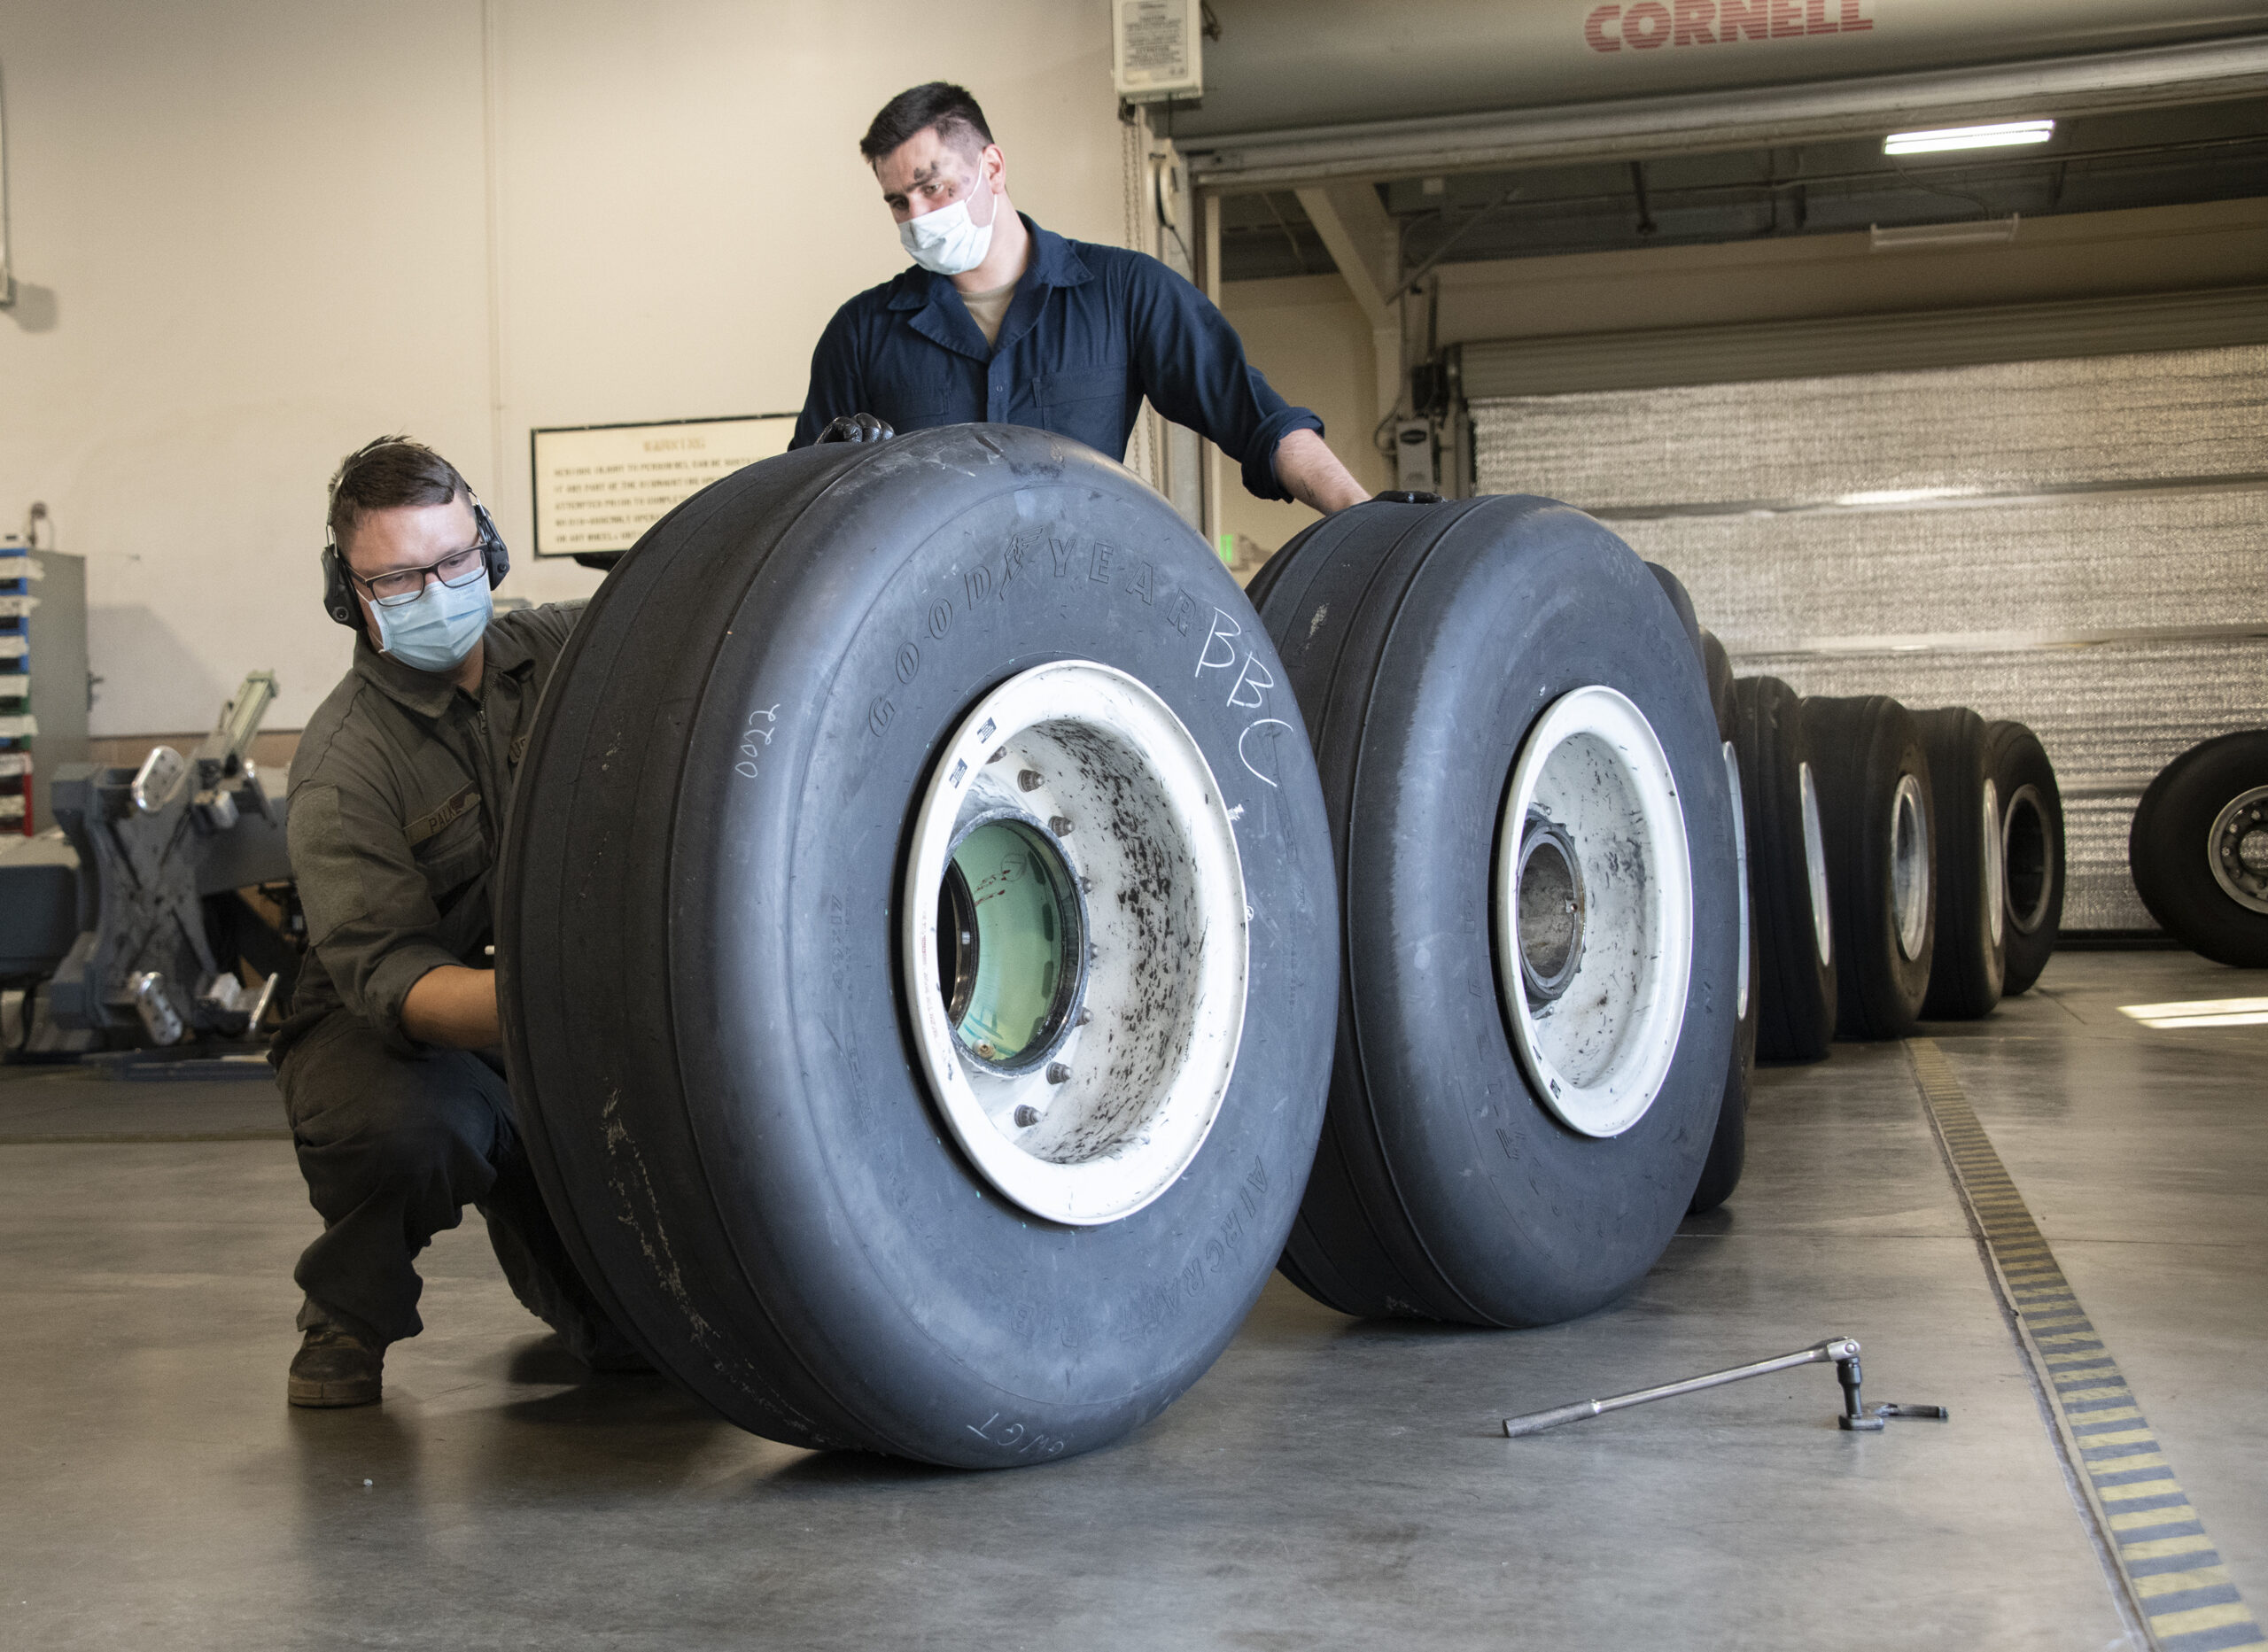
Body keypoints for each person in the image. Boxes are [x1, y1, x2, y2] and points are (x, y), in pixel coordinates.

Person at [274, 437, 640, 1408]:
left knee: (639, 1340)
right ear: (345, 593)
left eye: (451, 562)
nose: (434, 592)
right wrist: (569, 1015)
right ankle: (347, 1311)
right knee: (412, 1128)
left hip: (562, 1010)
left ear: (490, 548)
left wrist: (812, 494)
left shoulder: (576, 649)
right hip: (397, 1030)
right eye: (395, 579)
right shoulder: (342, 765)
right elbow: (395, 978)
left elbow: (710, 604)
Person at [793, 81, 1371, 516]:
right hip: (927, 632)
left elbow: (1257, 416)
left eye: (933, 187)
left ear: (991, 167)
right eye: (899, 202)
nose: (918, 217)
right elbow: (794, 499)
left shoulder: (1123, 292)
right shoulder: (862, 334)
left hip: (1082, 613)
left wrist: (1363, 520)